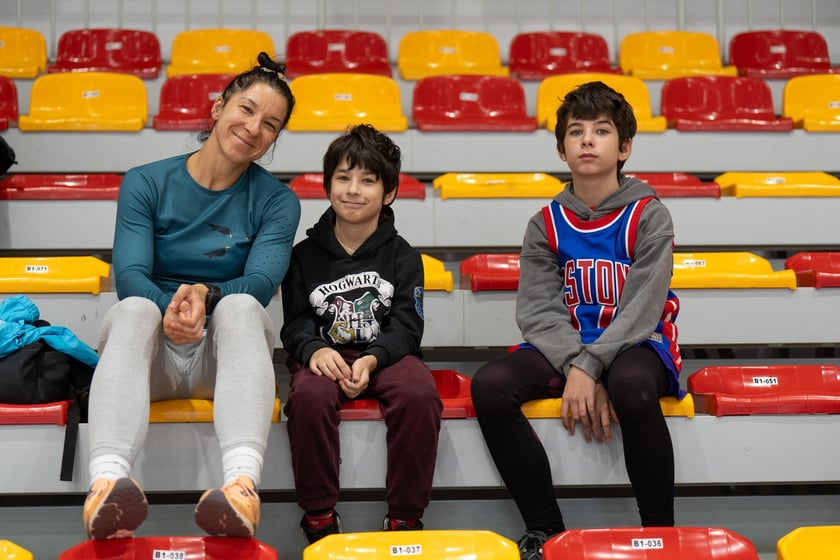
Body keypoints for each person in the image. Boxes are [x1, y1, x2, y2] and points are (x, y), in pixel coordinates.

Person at [82, 52, 300, 541]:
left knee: (242, 307)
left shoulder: (278, 201)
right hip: (151, 356)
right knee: (133, 308)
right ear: (219, 107)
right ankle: (106, 485)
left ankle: (241, 487)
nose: (253, 128)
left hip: (220, 363)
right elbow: (130, 275)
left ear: (274, 139)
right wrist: (171, 311)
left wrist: (207, 295)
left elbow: (261, 283)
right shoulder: (145, 182)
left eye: (270, 124)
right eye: (246, 109)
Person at [470, 81, 682, 560]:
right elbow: (538, 310)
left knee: (631, 387)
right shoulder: (545, 223)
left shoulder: (649, 215)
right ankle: (546, 530)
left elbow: (643, 307)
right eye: (576, 131)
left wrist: (590, 366)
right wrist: (577, 366)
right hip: (564, 348)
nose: (588, 139)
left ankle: (660, 535)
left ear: (624, 148)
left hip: (637, 343)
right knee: (490, 385)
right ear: (561, 149)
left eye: (602, 131)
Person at [280, 123, 443, 545]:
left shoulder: (404, 257)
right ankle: (319, 516)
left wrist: (372, 359)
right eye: (343, 178)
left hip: (386, 357)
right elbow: (295, 324)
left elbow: (407, 326)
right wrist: (314, 350)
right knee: (309, 397)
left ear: (389, 192)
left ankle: (405, 518)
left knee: (419, 394)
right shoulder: (301, 257)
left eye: (368, 180)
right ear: (327, 185)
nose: (353, 190)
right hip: (325, 358)